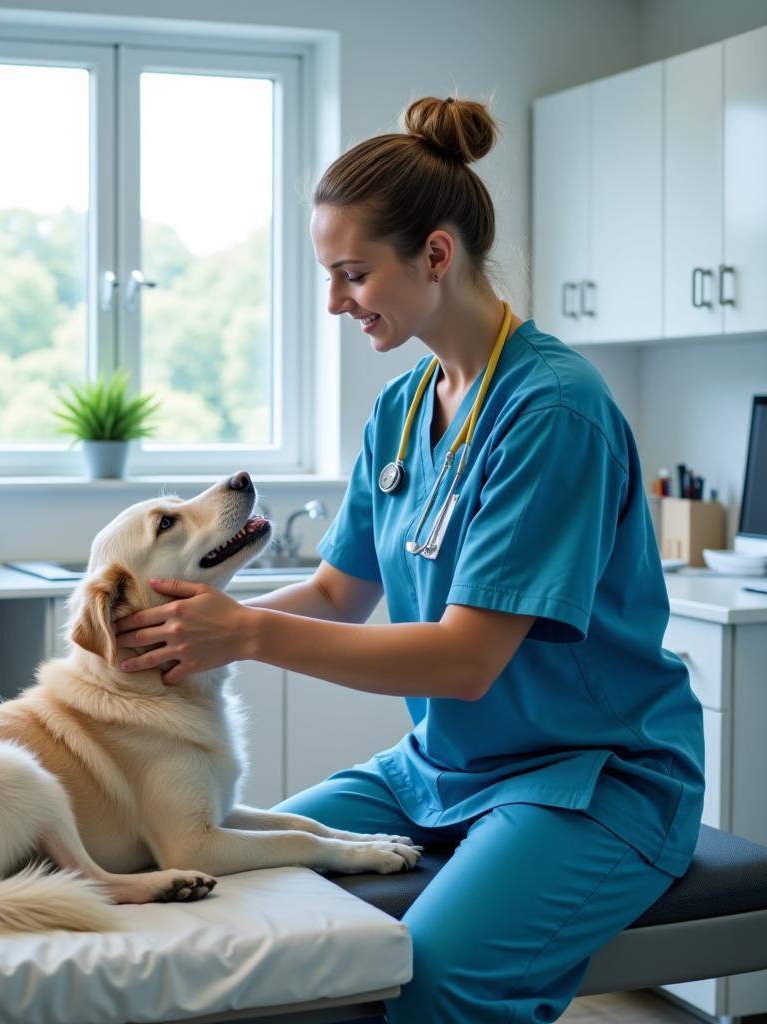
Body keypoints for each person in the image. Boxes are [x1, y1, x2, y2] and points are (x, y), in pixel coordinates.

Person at [114, 95, 704, 1023]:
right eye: (328, 274)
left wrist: (248, 634)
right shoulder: (402, 408)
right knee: (209, 864)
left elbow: (465, 662)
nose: (335, 301)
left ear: (436, 254)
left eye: (353, 273)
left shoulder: (551, 412)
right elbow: (341, 592)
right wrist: (195, 623)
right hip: (438, 770)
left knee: (431, 975)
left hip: (592, 781)